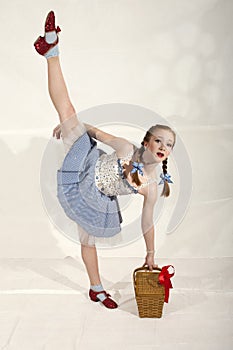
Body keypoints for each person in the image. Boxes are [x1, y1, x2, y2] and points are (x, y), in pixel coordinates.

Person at [34, 11, 176, 309]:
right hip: (85, 162)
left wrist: (150, 254)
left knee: (87, 239)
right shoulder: (126, 148)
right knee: (68, 109)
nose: (163, 146)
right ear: (147, 142)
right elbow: (96, 131)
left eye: (169, 144)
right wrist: (71, 125)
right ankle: (52, 51)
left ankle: (96, 288)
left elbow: (147, 221)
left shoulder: (152, 185)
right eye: (159, 140)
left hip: (96, 197)